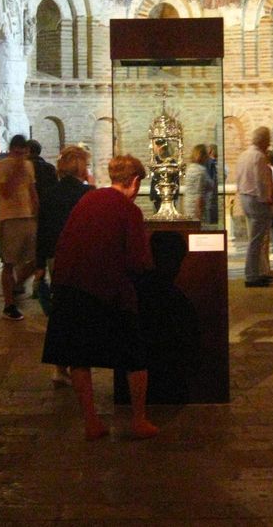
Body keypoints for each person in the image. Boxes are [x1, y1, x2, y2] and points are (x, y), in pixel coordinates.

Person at [42, 154, 159, 441]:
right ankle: (139, 420)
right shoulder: (128, 210)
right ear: (134, 181)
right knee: (134, 356)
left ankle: (92, 422)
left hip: (71, 285)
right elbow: (138, 260)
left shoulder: (88, 199)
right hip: (108, 290)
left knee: (79, 357)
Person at [35, 145, 95, 387]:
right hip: (82, 257)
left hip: (56, 257)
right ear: (82, 167)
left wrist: (39, 263)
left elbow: (43, 230)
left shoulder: (49, 193)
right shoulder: (87, 194)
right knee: (81, 312)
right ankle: (79, 365)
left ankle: (60, 367)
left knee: (60, 311)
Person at [0, 134, 39, 321]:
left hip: (28, 217)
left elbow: (32, 190)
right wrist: (16, 170)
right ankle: (9, 304)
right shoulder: (0, 167)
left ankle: (18, 284)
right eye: (17, 152)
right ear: (12, 150)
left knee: (36, 259)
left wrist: (37, 211)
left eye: (23, 153)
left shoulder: (29, 165)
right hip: (9, 218)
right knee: (9, 262)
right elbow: (6, 193)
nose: (21, 156)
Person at [236, 127, 273, 287]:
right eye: (268, 140)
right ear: (264, 141)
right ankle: (252, 275)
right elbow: (261, 181)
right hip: (257, 200)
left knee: (256, 239)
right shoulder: (258, 156)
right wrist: (267, 199)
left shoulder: (243, 155)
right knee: (256, 240)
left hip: (245, 197)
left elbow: (239, 178)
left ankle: (259, 272)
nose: (269, 143)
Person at [181, 144, 213, 223]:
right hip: (197, 208)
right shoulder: (201, 171)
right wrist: (200, 214)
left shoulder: (190, 168)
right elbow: (199, 193)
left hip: (188, 205)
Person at [205, 144, 219, 225]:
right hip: (213, 192)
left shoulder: (208, 162)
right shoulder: (215, 162)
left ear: (210, 151)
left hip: (210, 192)